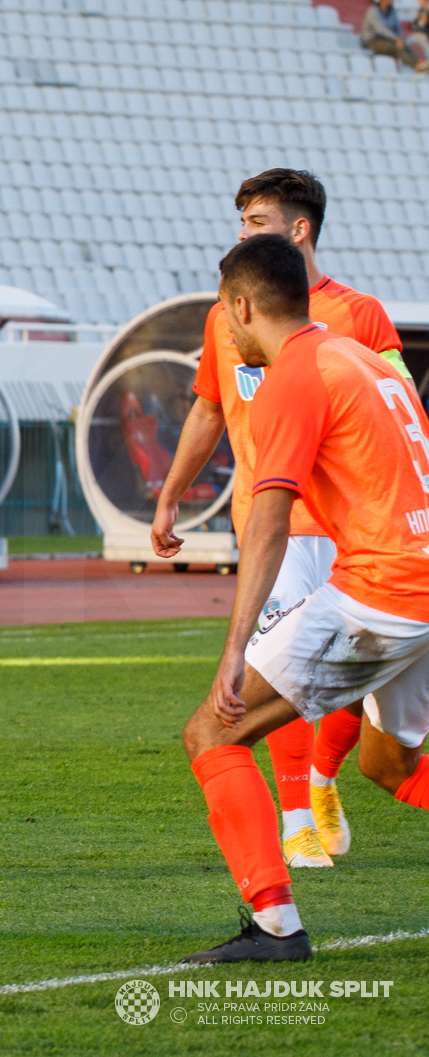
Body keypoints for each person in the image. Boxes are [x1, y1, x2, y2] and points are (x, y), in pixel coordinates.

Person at [175, 233, 429, 963]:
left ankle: (276, 929)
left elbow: (268, 521)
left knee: (213, 732)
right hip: (419, 581)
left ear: (243, 306)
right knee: (388, 765)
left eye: (225, 315)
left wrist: (234, 651)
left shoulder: (293, 376)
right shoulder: (355, 355)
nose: (224, 331)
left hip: (381, 593)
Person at [153, 168, 408, 872]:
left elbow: (398, 411)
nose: (243, 231)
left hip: (361, 538)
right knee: (314, 696)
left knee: (336, 704)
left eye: (257, 221)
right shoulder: (228, 315)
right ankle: (297, 814)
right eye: (240, 220)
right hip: (297, 525)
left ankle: (319, 788)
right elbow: (208, 405)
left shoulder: (355, 318)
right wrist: (174, 489)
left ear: (299, 231)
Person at [362, 0, 428, 71]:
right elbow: (380, 29)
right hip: (372, 41)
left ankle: (419, 62)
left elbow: (398, 29)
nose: (392, 0)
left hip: (387, 40)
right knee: (397, 46)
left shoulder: (393, 11)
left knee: (402, 44)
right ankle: (417, 66)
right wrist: (396, 39)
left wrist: (400, 39)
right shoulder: (373, 11)